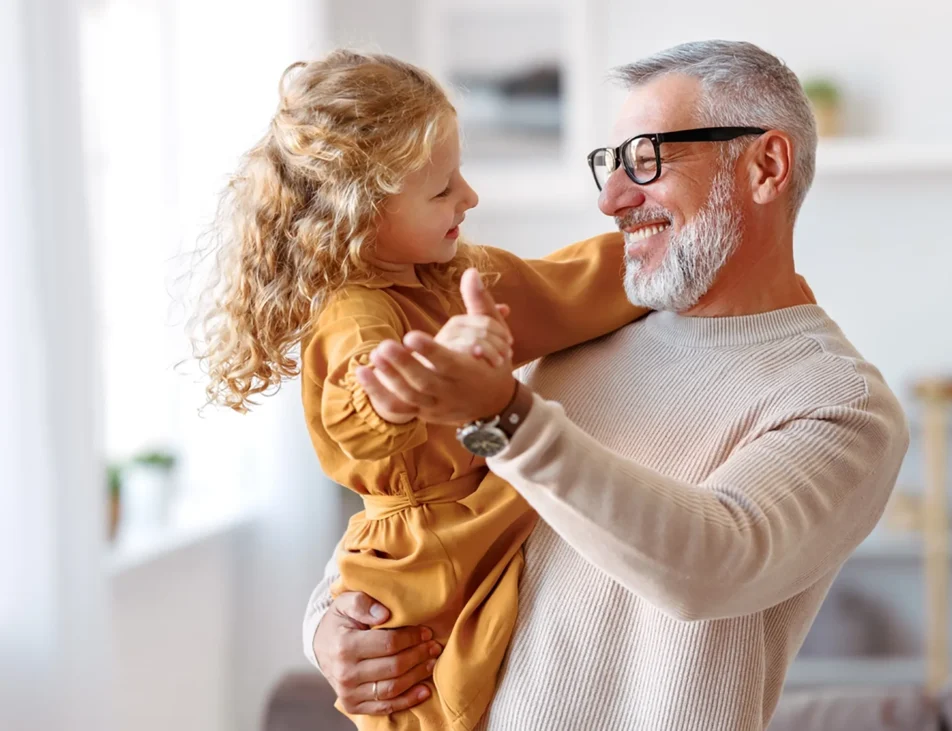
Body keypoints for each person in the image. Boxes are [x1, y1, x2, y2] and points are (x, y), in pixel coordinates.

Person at [304, 40, 910, 731]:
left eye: (646, 159)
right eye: (610, 163)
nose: (611, 199)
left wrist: (505, 414)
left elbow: (712, 561)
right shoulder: (579, 333)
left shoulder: (838, 401)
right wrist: (329, 624)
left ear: (765, 165)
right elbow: (428, 503)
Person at [189, 50, 646, 731]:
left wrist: (658, 255)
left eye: (459, 176)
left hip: (475, 517)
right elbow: (367, 396)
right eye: (442, 190)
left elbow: (564, 286)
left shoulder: (455, 274)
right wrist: (424, 378)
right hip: (422, 556)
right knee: (425, 701)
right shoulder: (354, 310)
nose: (470, 197)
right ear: (362, 215)